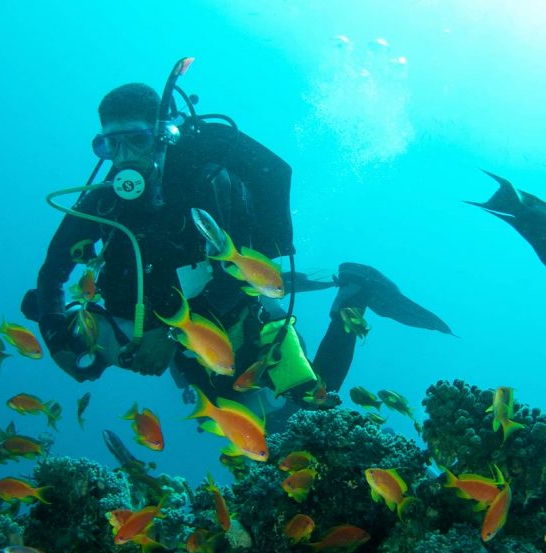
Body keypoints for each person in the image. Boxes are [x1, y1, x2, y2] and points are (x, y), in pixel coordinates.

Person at [23, 63, 451, 420]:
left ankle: (353, 294)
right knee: (229, 416)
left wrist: (171, 335)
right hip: (179, 329)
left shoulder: (203, 185)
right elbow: (53, 272)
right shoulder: (103, 202)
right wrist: (57, 340)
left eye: (137, 140)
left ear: (163, 134)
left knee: (309, 410)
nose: (125, 158)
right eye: (110, 146)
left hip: (236, 311)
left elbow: (244, 268)